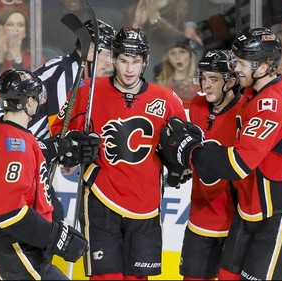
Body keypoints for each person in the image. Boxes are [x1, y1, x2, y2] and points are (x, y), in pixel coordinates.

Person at [159, 27, 282, 280]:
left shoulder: (271, 102)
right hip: (257, 206)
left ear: (263, 67)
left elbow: (238, 163)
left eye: (241, 62)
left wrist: (189, 151)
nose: (235, 68)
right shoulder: (267, 87)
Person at [50, 27, 187, 280]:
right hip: (101, 200)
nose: (129, 69)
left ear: (145, 61)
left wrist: (181, 163)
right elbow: (60, 135)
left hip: (146, 205)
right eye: (123, 60)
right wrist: (74, 147)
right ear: (112, 59)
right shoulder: (87, 92)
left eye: (135, 61)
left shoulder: (168, 101)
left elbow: (182, 151)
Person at [0, 18, 116, 242]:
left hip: (17, 147)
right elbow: (59, 137)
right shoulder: (68, 74)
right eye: (108, 54)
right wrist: (71, 151)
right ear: (90, 50)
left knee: (48, 214)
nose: (111, 62)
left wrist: (71, 150)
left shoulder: (80, 76)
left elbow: (58, 142)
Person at [0, 68, 89, 280]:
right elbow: (9, 213)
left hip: (4, 238)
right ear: (28, 102)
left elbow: (15, 154)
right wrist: (56, 237)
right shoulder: (16, 148)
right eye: (35, 96)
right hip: (11, 243)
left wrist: (57, 146)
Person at [180, 49, 240, 280]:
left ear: (231, 81)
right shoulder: (196, 105)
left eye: (213, 79)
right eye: (203, 78)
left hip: (237, 219)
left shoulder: (244, 109)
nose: (205, 85)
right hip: (201, 215)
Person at [122, 0, 190, 82]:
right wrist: (137, 25)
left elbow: (180, 41)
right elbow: (122, 48)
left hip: (166, 68)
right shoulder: (132, 10)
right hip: (138, 67)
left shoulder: (178, 6)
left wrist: (156, 20)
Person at [0, 6, 44, 88]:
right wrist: (1, 54)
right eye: (10, 25)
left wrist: (16, 56)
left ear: (25, 31)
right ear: (0, 29)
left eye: (21, 25)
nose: (15, 29)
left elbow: (26, 89)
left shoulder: (35, 58)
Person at [155, 35, 202, 102]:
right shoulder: (160, 84)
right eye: (172, 53)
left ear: (190, 55)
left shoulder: (201, 84)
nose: (177, 57)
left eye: (182, 52)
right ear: (168, 59)